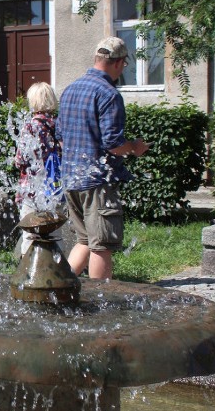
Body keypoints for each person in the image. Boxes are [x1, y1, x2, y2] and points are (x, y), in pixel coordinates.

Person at [57, 36, 150, 280]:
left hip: (71, 179)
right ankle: (102, 303)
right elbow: (114, 144)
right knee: (102, 245)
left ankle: (58, 288)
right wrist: (135, 147)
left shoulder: (70, 89)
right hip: (97, 182)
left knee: (84, 240)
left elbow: (61, 139)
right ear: (119, 63)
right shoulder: (108, 94)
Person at [14, 82, 63, 255]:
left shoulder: (30, 126)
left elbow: (21, 160)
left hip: (32, 189)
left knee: (30, 232)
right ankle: (56, 270)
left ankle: (29, 272)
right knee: (54, 230)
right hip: (54, 188)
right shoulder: (59, 124)